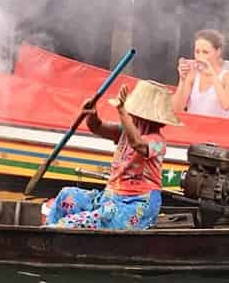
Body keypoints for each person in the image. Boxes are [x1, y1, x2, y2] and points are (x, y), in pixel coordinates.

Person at [45, 80, 181, 230]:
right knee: (67, 195)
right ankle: (48, 232)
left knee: (93, 218)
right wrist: (92, 114)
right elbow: (97, 127)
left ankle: (55, 232)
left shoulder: (157, 142)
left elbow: (137, 143)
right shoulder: (124, 131)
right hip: (110, 198)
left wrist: (122, 112)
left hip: (136, 203)